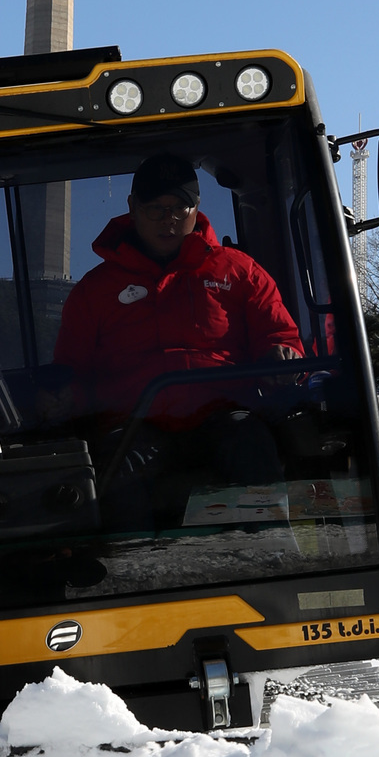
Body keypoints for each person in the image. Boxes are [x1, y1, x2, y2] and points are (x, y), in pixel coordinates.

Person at [52, 151, 303, 525]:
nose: (168, 219)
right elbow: (72, 369)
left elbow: (280, 335)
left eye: (179, 208)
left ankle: (270, 550)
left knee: (251, 444)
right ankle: (130, 559)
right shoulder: (94, 291)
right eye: (155, 208)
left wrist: (282, 359)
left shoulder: (239, 271)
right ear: (133, 207)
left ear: (196, 208)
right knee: (115, 474)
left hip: (222, 418)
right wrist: (63, 397)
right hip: (136, 426)